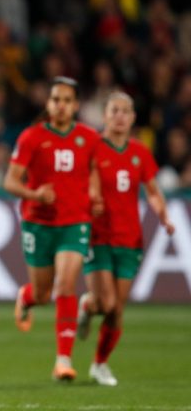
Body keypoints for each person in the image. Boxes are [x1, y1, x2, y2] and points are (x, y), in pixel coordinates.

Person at [4, 76, 102, 381]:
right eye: (56, 100)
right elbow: (10, 181)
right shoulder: (32, 137)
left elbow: (95, 171)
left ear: (75, 105)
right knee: (44, 293)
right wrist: (35, 194)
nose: (61, 106)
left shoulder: (89, 138)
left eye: (67, 100)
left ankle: (63, 360)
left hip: (75, 222)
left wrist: (95, 196)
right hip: (39, 223)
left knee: (66, 286)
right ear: (48, 104)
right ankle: (28, 296)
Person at [77, 92, 175, 386]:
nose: (120, 116)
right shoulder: (92, 148)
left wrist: (164, 216)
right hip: (98, 237)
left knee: (116, 309)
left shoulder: (139, 152)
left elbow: (153, 191)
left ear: (133, 118)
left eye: (125, 111)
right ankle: (89, 306)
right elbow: (78, 184)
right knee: (108, 303)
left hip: (129, 239)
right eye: (114, 110)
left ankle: (99, 364)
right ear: (104, 115)